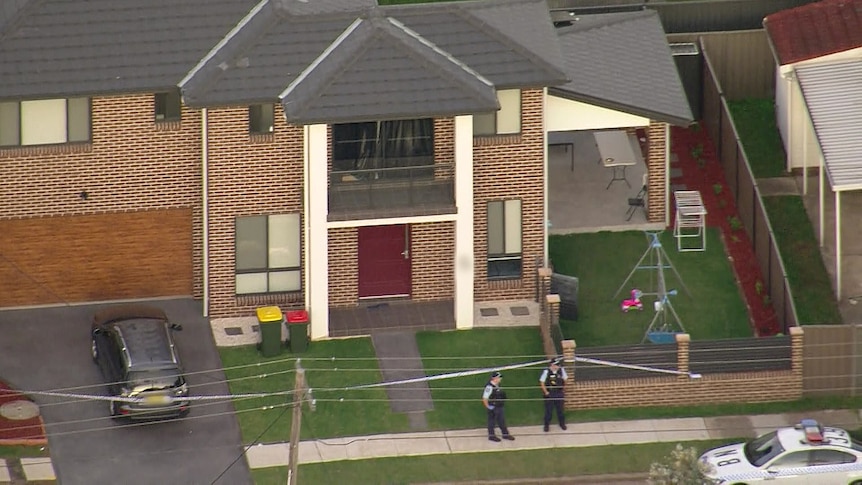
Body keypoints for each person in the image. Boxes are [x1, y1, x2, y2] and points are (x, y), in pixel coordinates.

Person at [482, 371, 515, 442]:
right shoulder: (489, 387)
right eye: (499, 377)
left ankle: (505, 434)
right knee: (491, 422)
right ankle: (491, 436)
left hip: (499, 406)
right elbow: (485, 398)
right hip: (493, 407)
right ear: (495, 378)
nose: (500, 379)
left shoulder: (497, 385)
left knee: (501, 421)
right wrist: (488, 407)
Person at [539, 357, 568, 432]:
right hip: (550, 394)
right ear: (551, 365)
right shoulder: (546, 371)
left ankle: (562, 424)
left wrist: (563, 390)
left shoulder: (561, 370)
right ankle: (546, 425)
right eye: (555, 365)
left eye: (558, 365)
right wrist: (546, 392)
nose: (557, 366)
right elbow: (542, 382)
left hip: (559, 393)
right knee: (549, 411)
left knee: (560, 411)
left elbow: (565, 380)